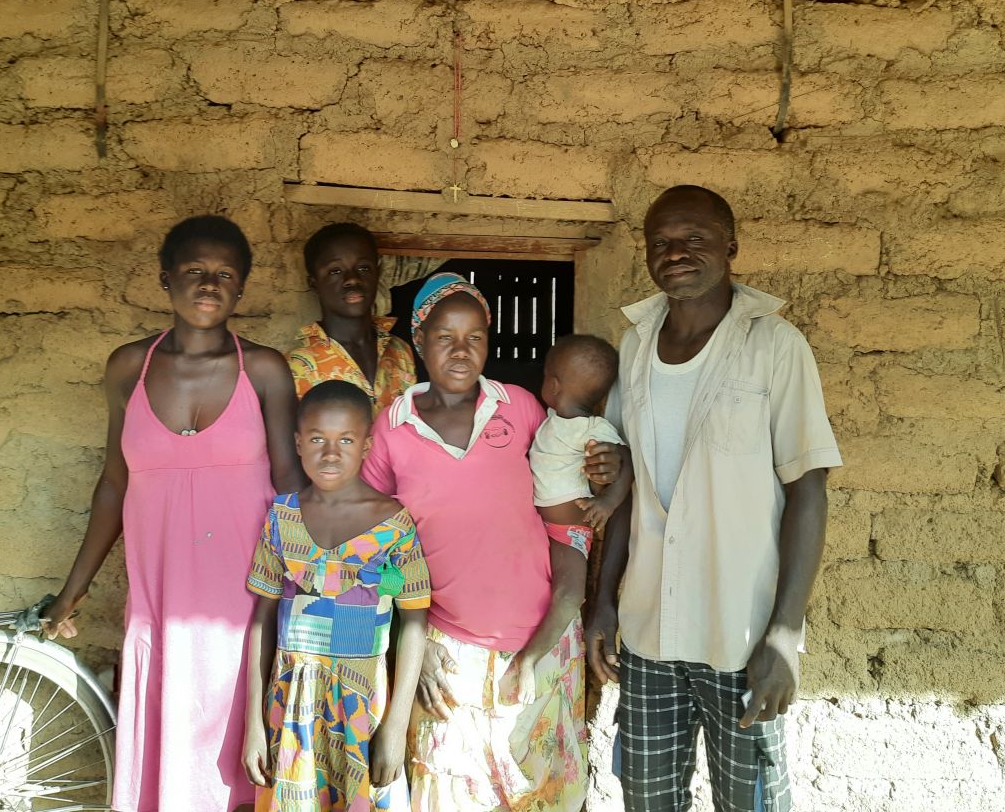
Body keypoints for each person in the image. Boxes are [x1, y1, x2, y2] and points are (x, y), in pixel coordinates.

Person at [586, 186, 842, 812]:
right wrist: (604, 602)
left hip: (741, 633)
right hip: (649, 629)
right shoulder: (635, 348)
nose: (675, 253)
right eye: (661, 242)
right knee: (647, 799)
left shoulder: (775, 347)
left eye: (694, 238)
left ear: (731, 247)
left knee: (749, 800)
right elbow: (628, 489)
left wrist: (784, 633)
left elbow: (808, 490)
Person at [43, 214, 303, 812]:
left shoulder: (264, 370)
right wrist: (72, 591)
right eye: (194, 271)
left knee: (244, 760)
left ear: (241, 288)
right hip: (159, 603)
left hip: (247, 603)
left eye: (225, 275)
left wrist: (306, 587)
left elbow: (290, 485)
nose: (209, 284)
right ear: (165, 279)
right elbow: (114, 484)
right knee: (171, 758)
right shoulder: (128, 368)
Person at [361, 273, 613, 812]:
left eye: (474, 337)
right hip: (448, 650)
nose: (460, 350)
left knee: (542, 797)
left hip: (543, 641)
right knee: (453, 794)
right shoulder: (391, 429)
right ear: (419, 339)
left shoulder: (519, 407)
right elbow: (374, 545)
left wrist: (617, 466)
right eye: (444, 337)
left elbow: (569, 486)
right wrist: (410, 640)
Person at [243, 380, 430, 812]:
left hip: (364, 708)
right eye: (317, 440)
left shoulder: (394, 527)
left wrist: (396, 726)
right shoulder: (281, 519)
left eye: (345, 440)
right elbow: (262, 619)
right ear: (298, 444)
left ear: (366, 446)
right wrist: (254, 723)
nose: (330, 454)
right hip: (291, 706)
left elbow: (414, 622)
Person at [287, 222, 417, 415]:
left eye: (363, 268)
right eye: (335, 271)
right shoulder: (296, 365)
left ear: (378, 273)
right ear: (313, 283)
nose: (352, 279)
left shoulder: (400, 351)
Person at [532, 334, 628, 531]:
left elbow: (626, 462)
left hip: (570, 530)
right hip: (542, 526)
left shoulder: (592, 428)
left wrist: (608, 501)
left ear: (553, 385)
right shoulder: (552, 419)